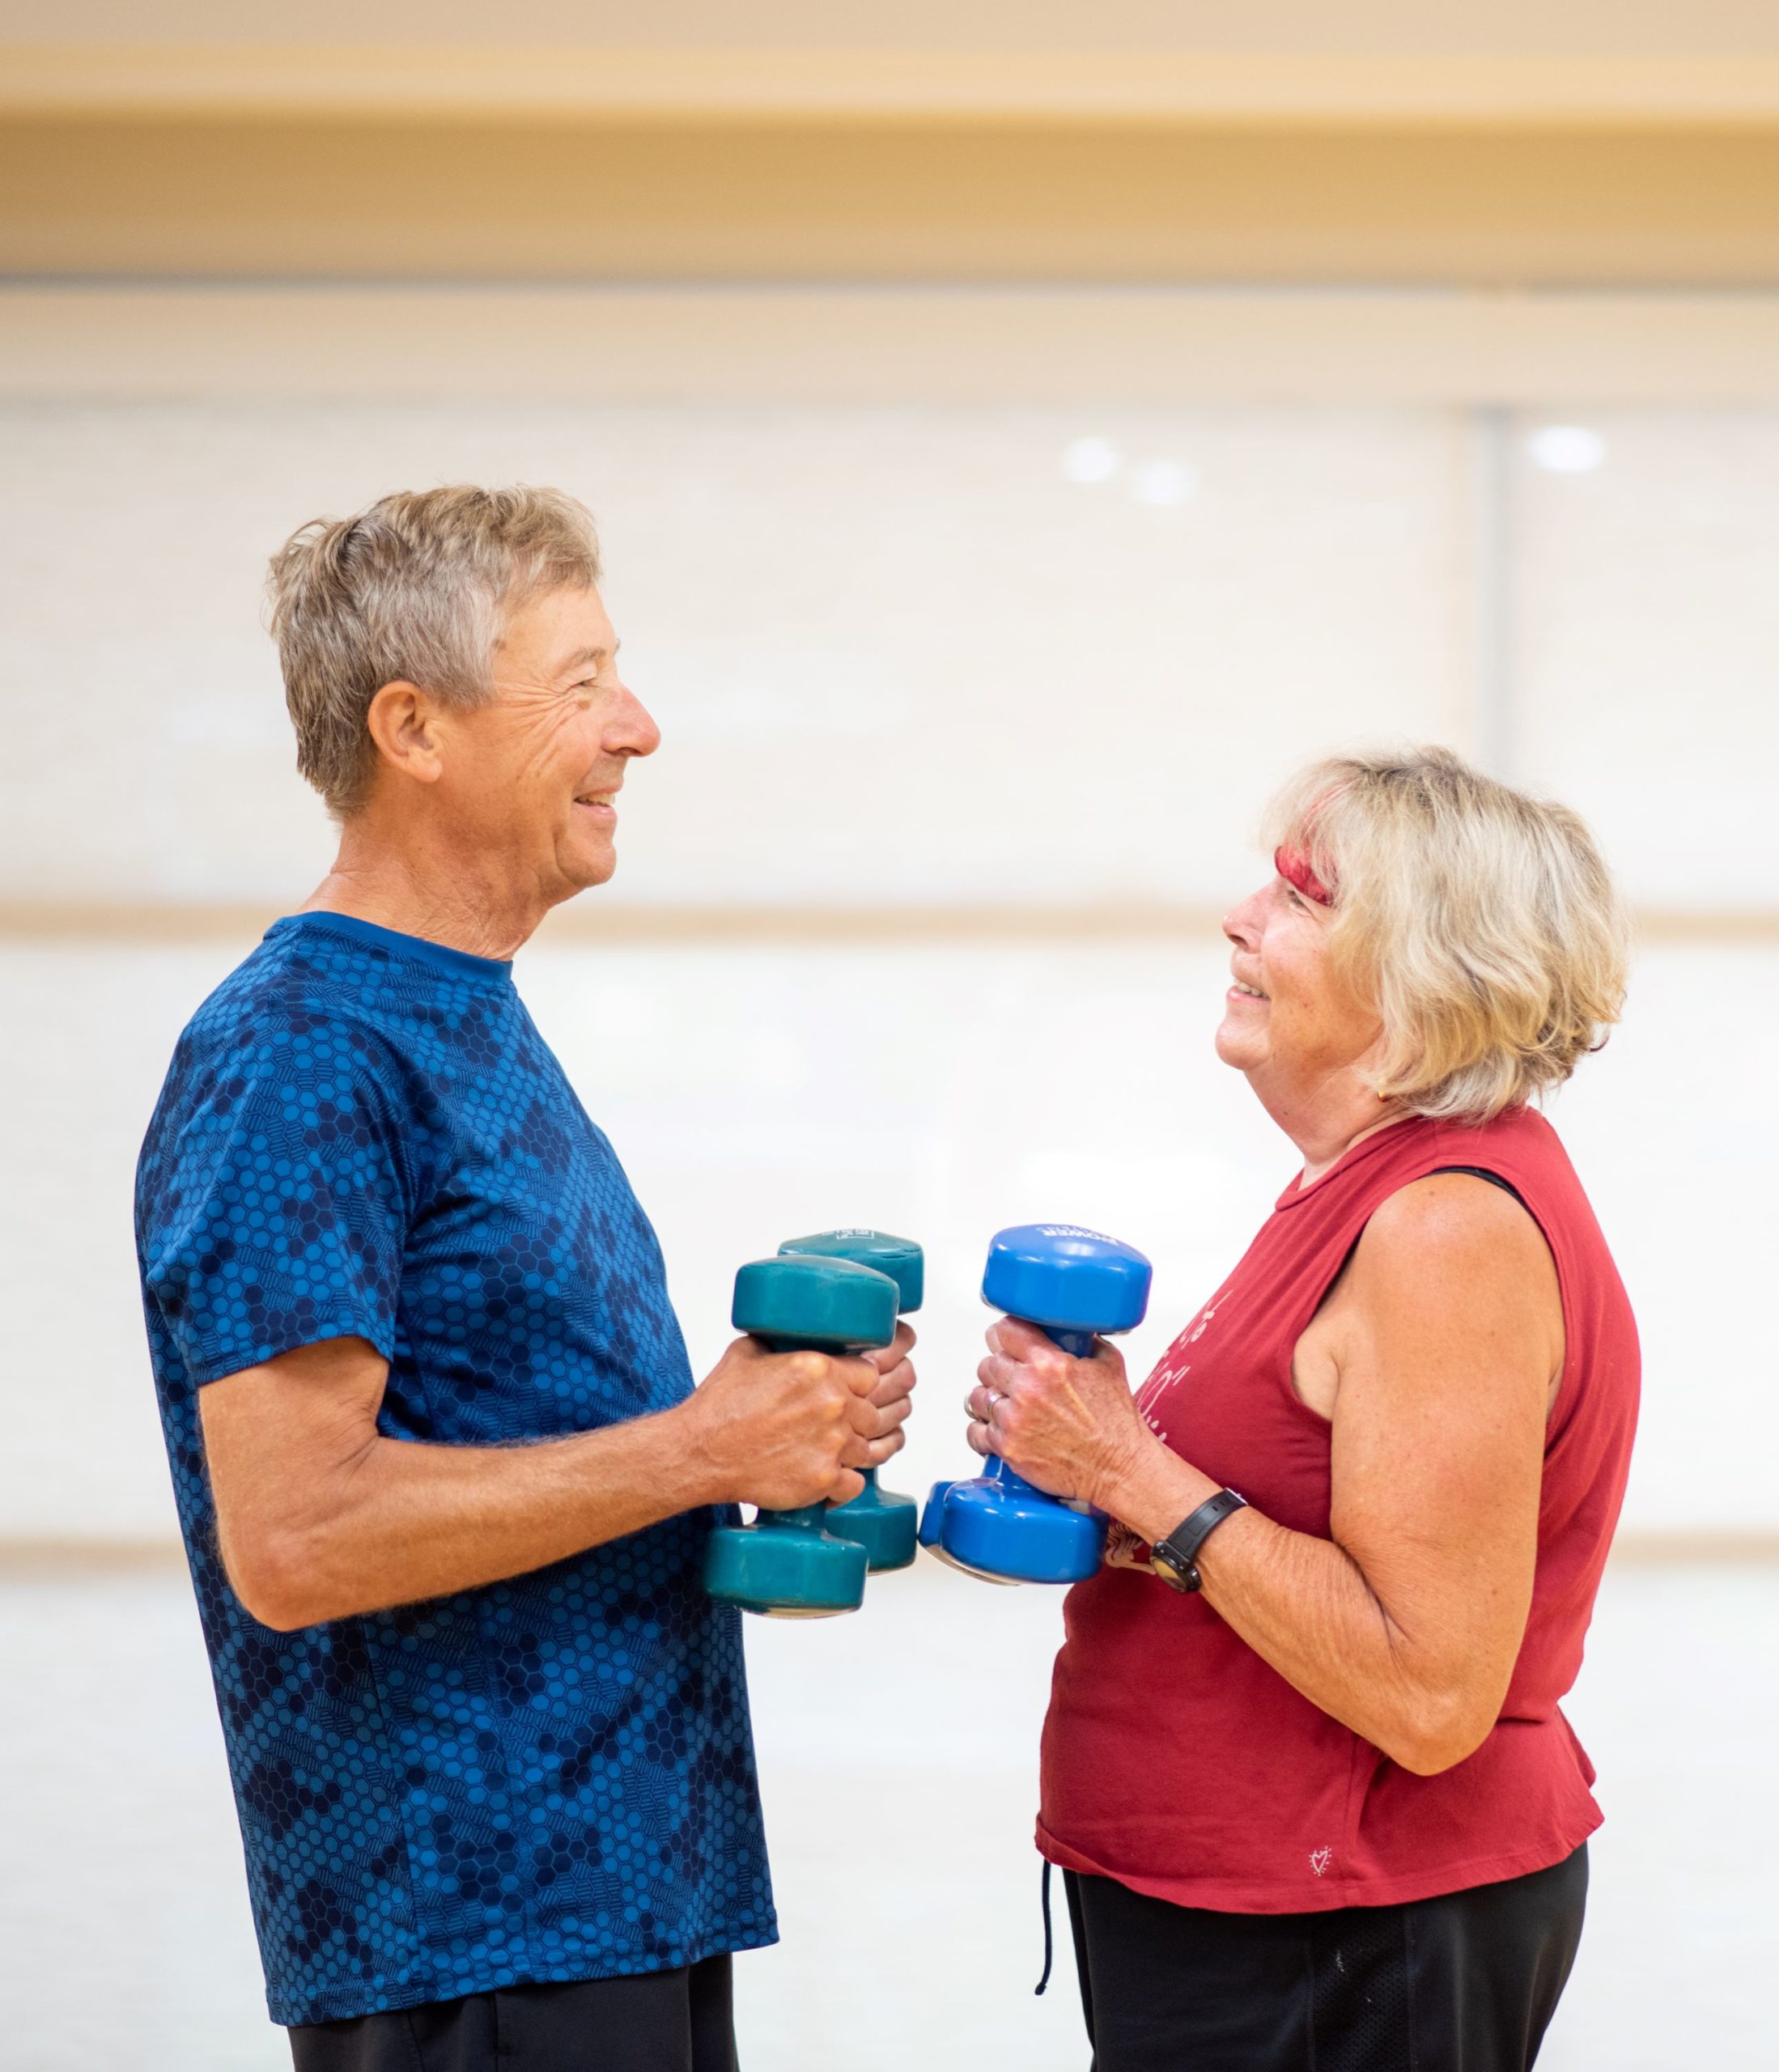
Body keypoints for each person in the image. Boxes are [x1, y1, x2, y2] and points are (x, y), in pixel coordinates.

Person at [135, 486, 917, 2072]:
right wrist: (703, 1444)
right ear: (412, 727)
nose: (636, 726)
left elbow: (528, 1435)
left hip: (621, 1900)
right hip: (477, 1934)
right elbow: (293, 1534)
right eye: (578, 683)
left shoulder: (456, 1014)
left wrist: (770, 1431)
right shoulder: (303, 1049)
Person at [965, 748, 1637, 2072]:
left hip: (1348, 1922)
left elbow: (1429, 1688)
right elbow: (1287, 1536)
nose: (1239, 918)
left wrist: (1137, 1472)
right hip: (1262, 1917)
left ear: (1424, 976)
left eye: (1303, 896)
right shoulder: (1363, 1192)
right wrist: (1105, 1496)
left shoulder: (1447, 1228)